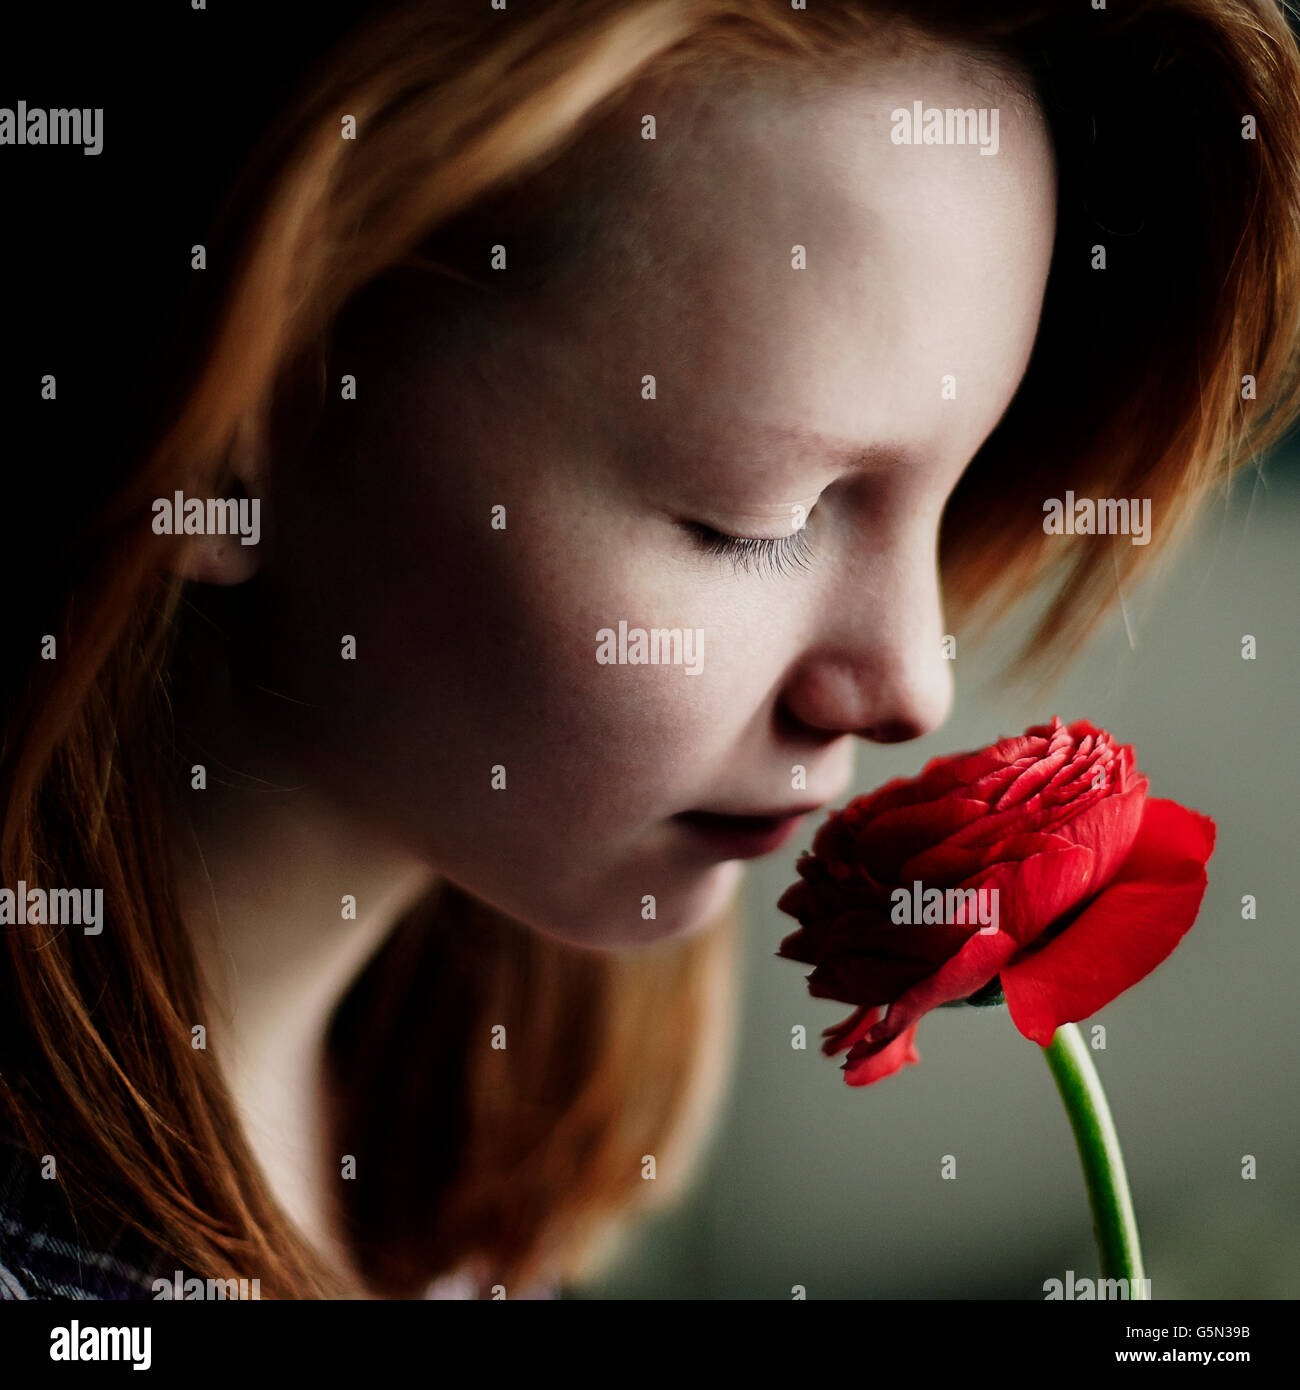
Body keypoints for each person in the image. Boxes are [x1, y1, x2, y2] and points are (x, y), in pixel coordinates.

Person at [2, 0, 1298, 1300]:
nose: (917, 680)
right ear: (238, 423)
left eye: (953, 492)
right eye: (755, 522)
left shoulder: (453, 1185)